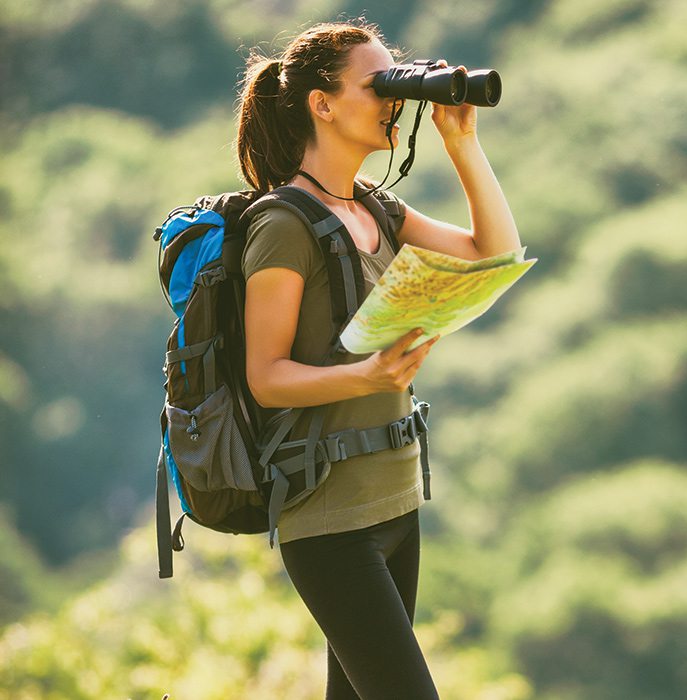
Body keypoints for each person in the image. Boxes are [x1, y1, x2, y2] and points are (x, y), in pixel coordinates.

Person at [234, 20, 521, 699]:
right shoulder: (283, 225)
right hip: (331, 522)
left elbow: (496, 253)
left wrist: (463, 142)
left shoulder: (373, 206)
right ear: (321, 104)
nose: (395, 100)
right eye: (380, 85)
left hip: (394, 502)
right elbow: (265, 377)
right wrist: (364, 375)